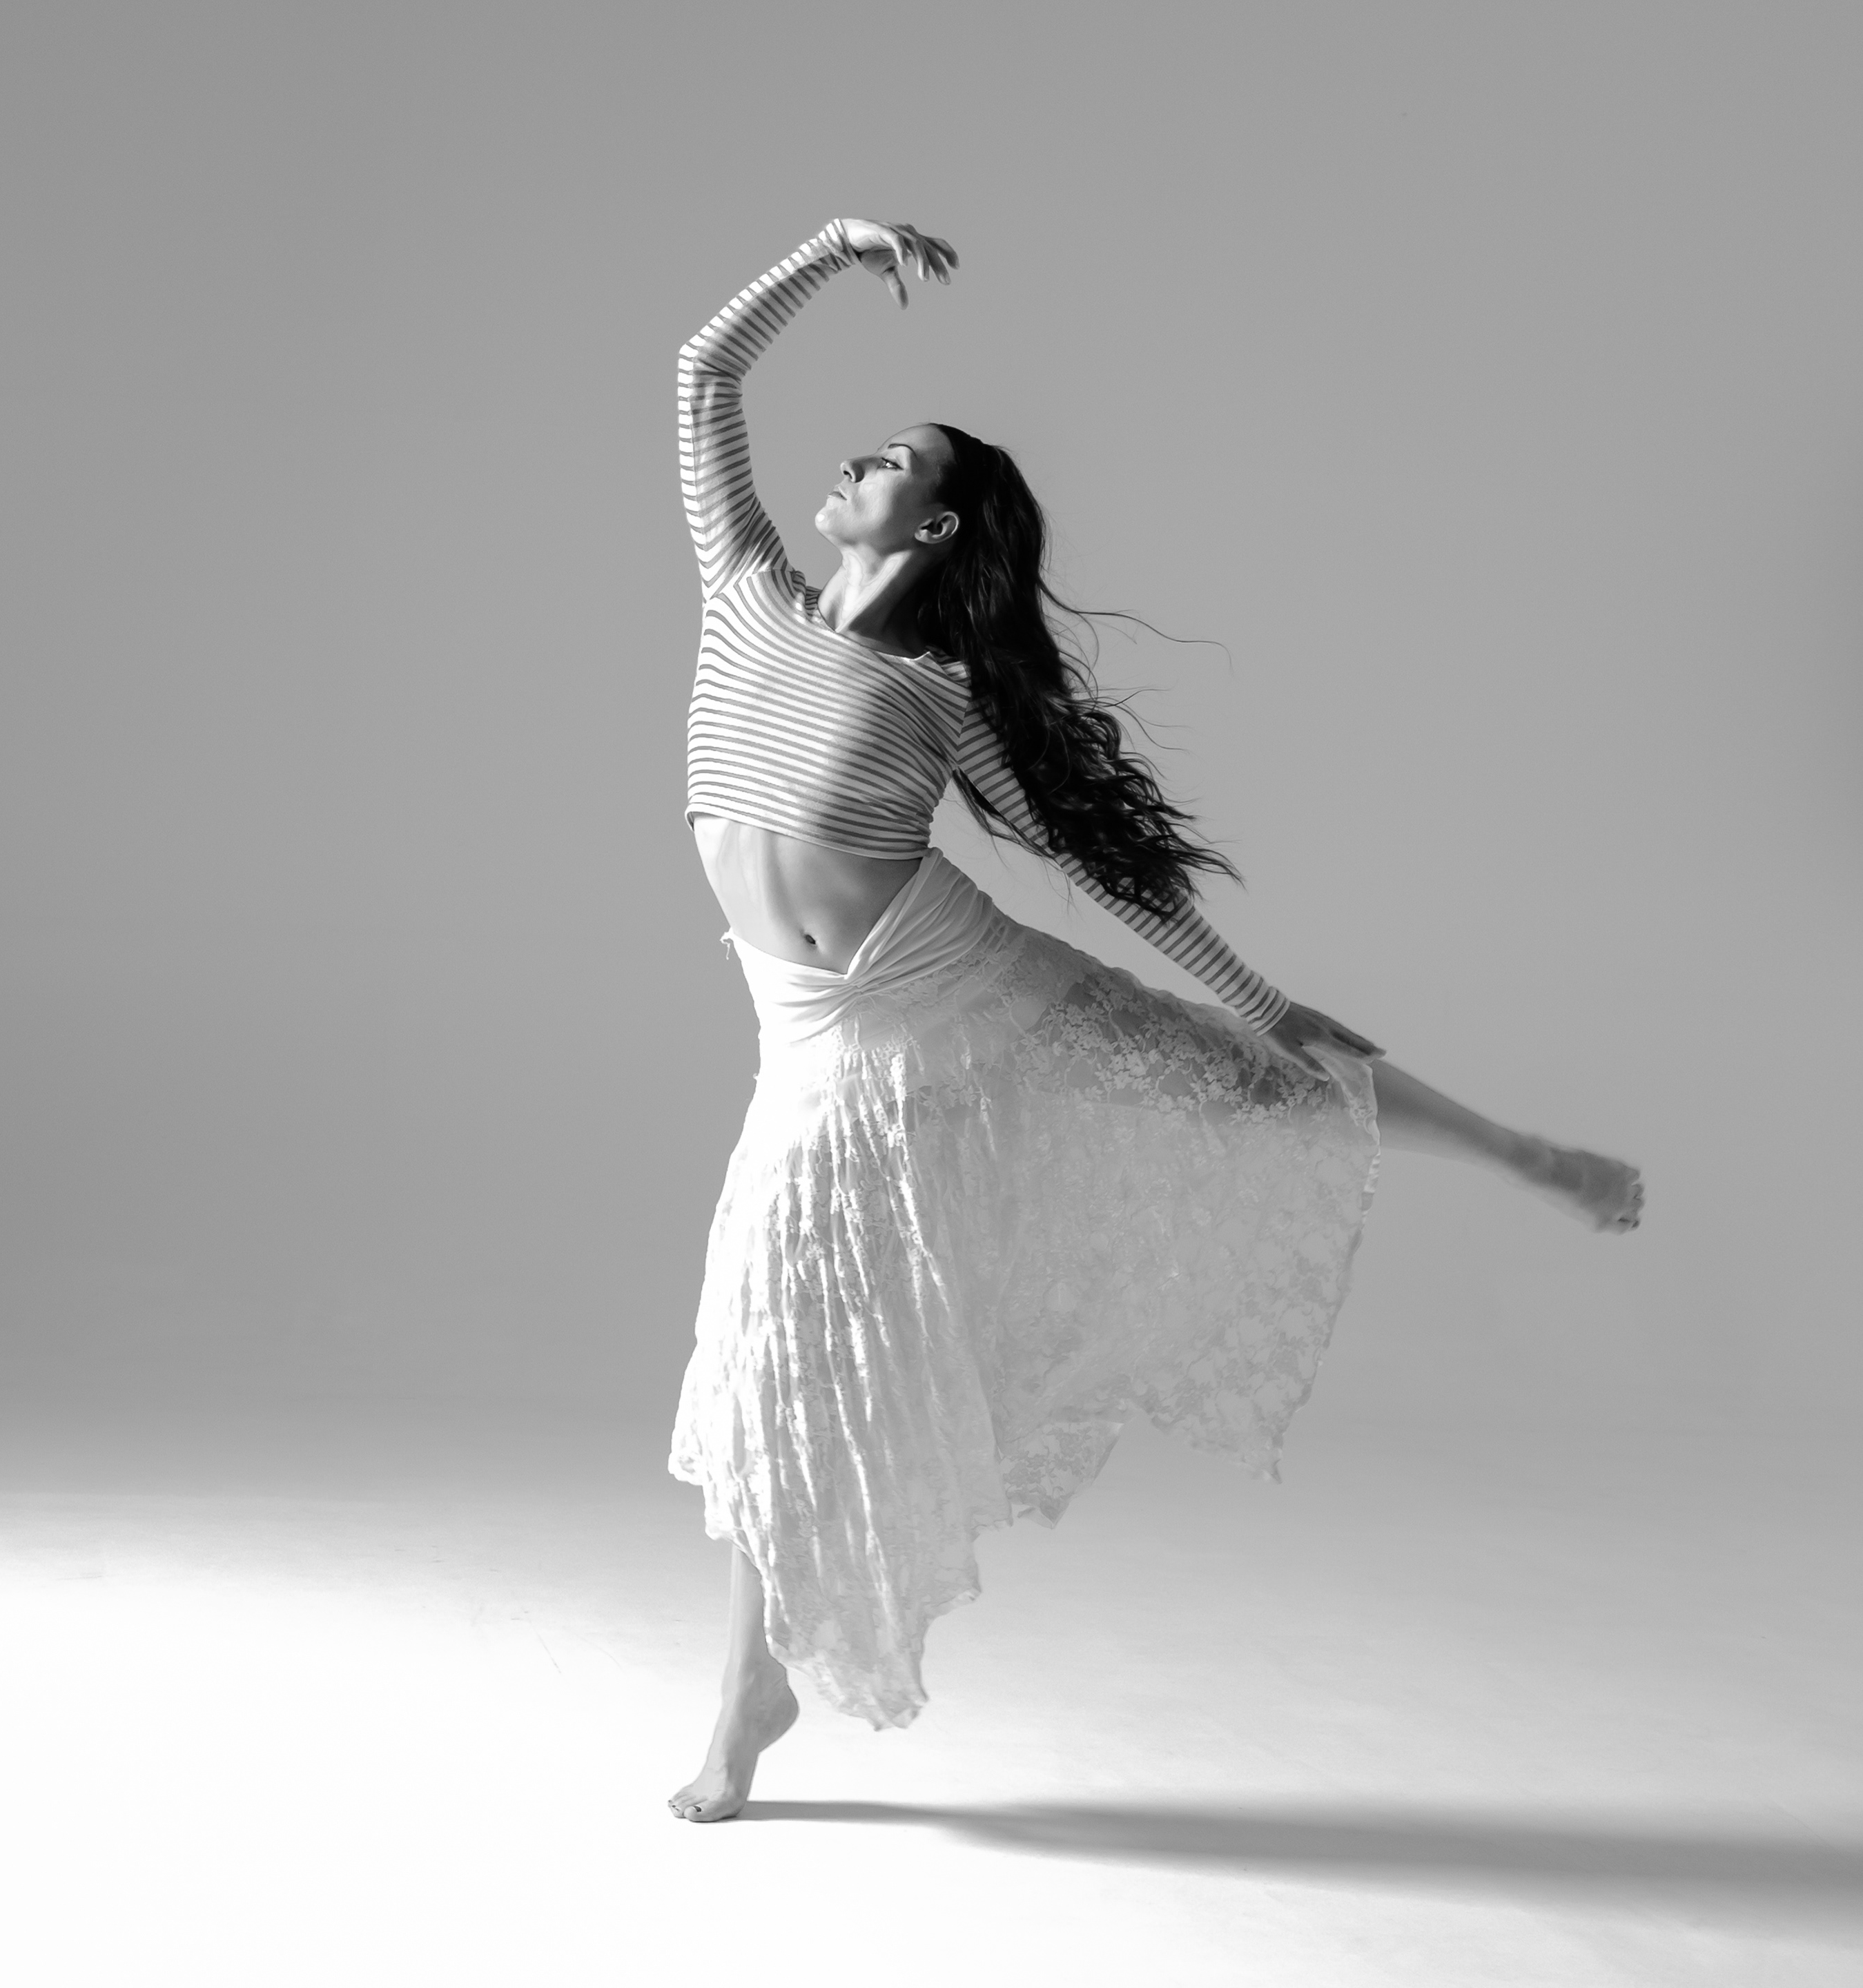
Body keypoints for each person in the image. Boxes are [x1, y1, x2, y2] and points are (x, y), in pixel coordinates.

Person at [664, 218, 1644, 1823]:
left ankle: (1525, 1154)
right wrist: (833, 249)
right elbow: (706, 371)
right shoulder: (746, 593)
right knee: (773, 1345)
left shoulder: (942, 701)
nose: (851, 463)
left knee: (1249, 1077)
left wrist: (1267, 1004)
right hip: (813, 1038)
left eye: (890, 460)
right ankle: (755, 1685)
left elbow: (1092, 864)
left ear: (940, 520)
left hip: (945, 983)